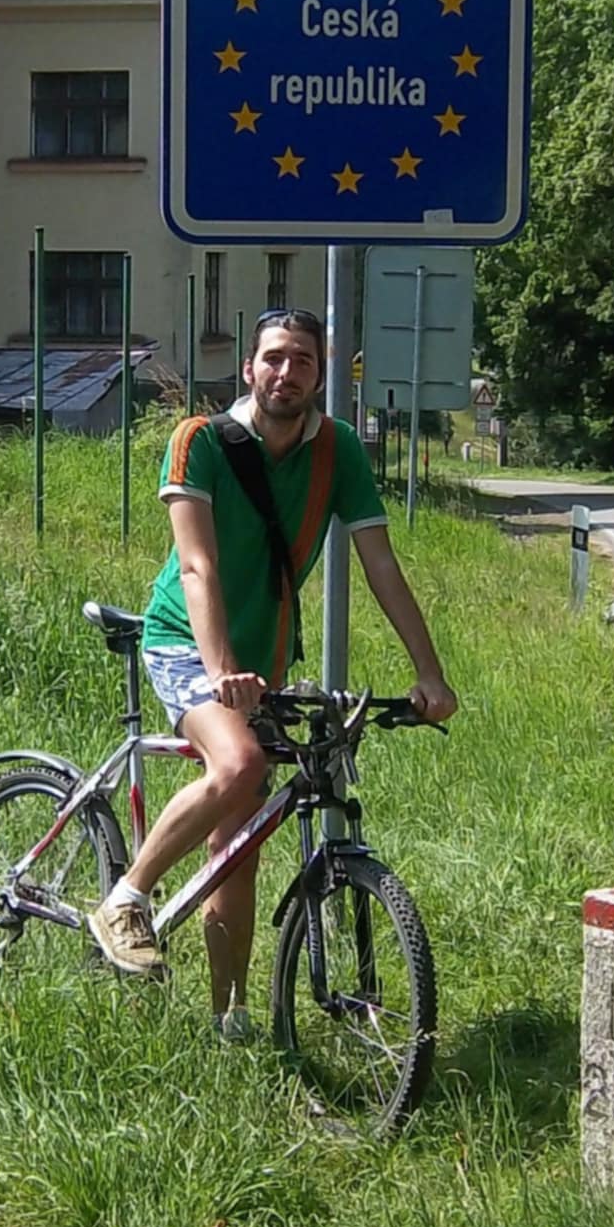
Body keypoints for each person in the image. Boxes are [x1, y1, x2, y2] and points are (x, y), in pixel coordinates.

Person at [86, 308, 456, 1034]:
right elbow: (198, 565)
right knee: (241, 763)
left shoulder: (337, 450)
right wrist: (222, 666)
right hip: (185, 644)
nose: (287, 373)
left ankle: (231, 1015)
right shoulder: (201, 441)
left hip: (263, 662)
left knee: (242, 842)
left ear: (322, 375)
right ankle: (126, 898)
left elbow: (380, 563)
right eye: (275, 359)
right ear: (250, 369)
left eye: (304, 362)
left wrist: (430, 675)